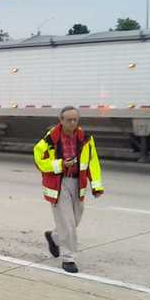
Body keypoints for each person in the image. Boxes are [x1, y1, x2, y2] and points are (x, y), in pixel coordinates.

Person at [33, 105, 104, 274]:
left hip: (78, 183)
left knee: (75, 219)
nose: (72, 122)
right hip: (59, 183)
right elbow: (38, 158)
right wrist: (60, 164)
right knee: (67, 222)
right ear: (61, 120)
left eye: (75, 119)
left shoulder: (86, 138)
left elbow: (93, 162)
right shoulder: (51, 139)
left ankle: (54, 237)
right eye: (69, 120)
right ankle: (68, 258)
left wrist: (96, 185)